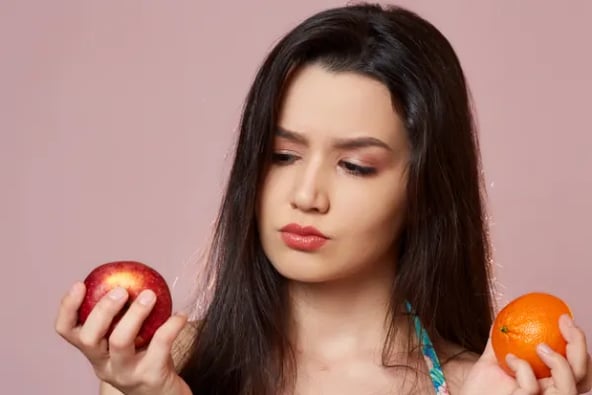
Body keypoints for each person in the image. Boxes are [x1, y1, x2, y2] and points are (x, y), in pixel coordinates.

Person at [55, 3, 592, 395]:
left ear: (426, 191)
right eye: (281, 156)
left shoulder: (473, 385)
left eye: (355, 166)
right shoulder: (167, 363)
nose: (306, 196)